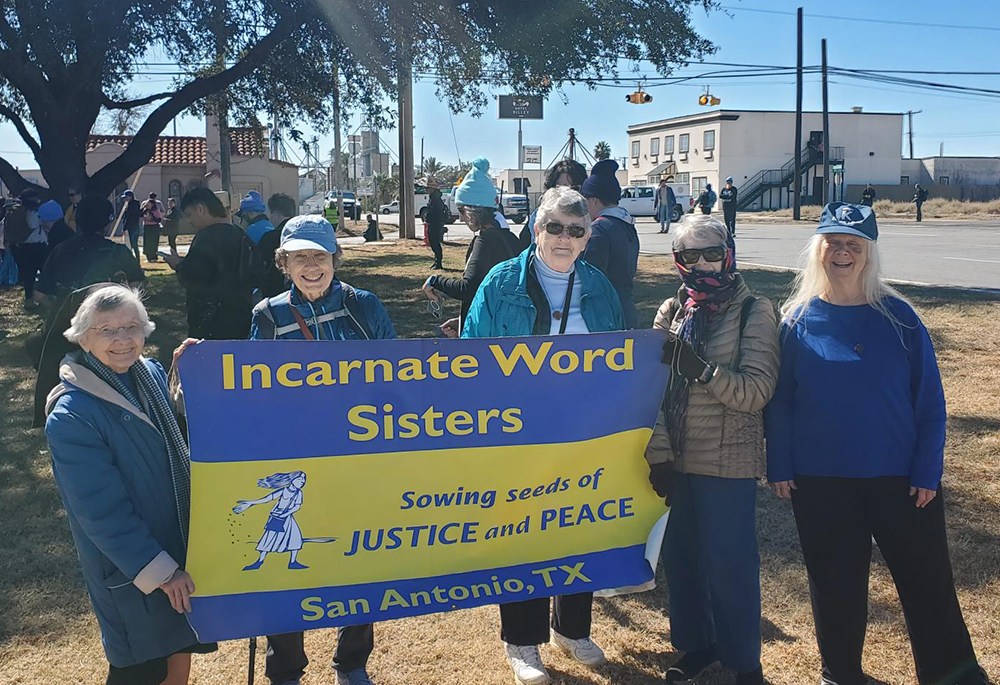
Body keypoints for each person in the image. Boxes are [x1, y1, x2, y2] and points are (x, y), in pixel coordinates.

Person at [765, 202, 991, 685]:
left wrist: (927, 470)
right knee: (835, 583)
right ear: (818, 249)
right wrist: (779, 463)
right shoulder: (797, 320)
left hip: (901, 479)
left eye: (854, 244)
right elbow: (780, 402)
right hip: (821, 479)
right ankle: (841, 673)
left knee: (927, 582)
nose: (842, 252)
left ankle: (953, 675)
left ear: (869, 253)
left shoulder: (900, 318)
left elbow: (929, 402)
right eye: (833, 242)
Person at [177, 215, 395, 685]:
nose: (311, 267)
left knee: (359, 559)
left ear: (335, 258)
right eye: (300, 257)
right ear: (284, 263)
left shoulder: (364, 306)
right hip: (293, 458)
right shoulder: (268, 314)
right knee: (285, 571)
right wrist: (202, 365)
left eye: (319, 256)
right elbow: (252, 387)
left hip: (360, 455)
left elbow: (396, 375)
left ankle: (352, 662)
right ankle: (286, 669)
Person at [463, 186, 624, 685]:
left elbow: (621, 356)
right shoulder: (500, 282)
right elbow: (470, 356)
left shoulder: (598, 286)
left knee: (580, 525)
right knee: (522, 535)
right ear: (536, 230)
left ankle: (571, 629)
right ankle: (522, 642)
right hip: (519, 434)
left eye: (575, 230)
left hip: (583, 433)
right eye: (554, 227)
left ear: (587, 237)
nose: (564, 238)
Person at [44, 284, 216, 685]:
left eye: (132, 327)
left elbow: (175, 431)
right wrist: (162, 573)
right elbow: (100, 513)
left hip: (177, 543)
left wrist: (188, 373)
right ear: (82, 337)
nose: (122, 340)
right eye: (106, 330)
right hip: (135, 566)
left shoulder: (149, 373)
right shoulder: (72, 414)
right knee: (140, 668)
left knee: (179, 650)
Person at [644, 214, 779, 685]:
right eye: (690, 255)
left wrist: (702, 370)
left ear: (728, 254)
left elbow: (756, 391)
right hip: (677, 459)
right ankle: (697, 645)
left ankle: (746, 663)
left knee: (729, 567)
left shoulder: (754, 310)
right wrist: (660, 453)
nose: (702, 263)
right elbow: (653, 393)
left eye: (711, 253)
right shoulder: (671, 310)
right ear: (677, 260)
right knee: (682, 561)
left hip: (727, 460)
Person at [31, 196, 145, 428]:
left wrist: (62, 308)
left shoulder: (60, 250)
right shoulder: (118, 252)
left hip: (65, 331)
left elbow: (39, 295)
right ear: (107, 223)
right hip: (112, 334)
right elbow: (138, 288)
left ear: (77, 221)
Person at [422, 157, 520, 337]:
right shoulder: (511, 238)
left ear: (474, 210)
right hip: (504, 329)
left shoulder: (485, 241)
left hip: (484, 337)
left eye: (462, 210)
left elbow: (468, 288)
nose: (461, 218)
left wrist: (434, 280)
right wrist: (462, 322)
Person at [165, 187, 262, 340]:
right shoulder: (241, 234)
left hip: (210, 319)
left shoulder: (205, 238)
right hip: (241, 314)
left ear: (201, 209)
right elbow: (257, 273)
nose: (189, 221)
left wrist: (178, 265)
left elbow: (193, 277)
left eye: (189, 215)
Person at [580, 158, 639, 329]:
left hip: (607, 313)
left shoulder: (599, 230)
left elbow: (591, 278)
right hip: (627, 308)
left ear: (594, 200)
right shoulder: (626, 224)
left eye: (585, 199)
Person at [518, 159, 588, 248]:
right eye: (561, 188)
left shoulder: (588, 216)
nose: (567, 193)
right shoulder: (539, 216)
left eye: (574, 188)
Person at [4, 188, 48, 305]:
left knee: (28, 275)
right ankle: (42, 298)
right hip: (36, 246)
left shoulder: (18, 211)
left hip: (23, 247)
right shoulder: (32, 213)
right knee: (43, 272)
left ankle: (29, 299)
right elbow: (33, 224)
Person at [257, 193, 297, 298]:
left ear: (275, 214)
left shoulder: (269, 238)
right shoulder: (302, 236)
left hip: (275, 293)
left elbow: (258, 267)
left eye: (271, 213)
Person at [424, 186, 448, 268]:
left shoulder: (436, 199)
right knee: (432, 242)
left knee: (435, 243)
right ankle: (436, 261)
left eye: (428, 188)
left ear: (432, 189)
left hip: (436, 224)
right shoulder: (432, 198)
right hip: (432, 223)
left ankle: (439, 262)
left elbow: (436, 212)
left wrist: (429, 215)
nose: (426, 190)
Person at [140, 192, 165, 262]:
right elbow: (140, 215)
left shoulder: (156, 210)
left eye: (149, 204)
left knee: (153, 242)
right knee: (147, 242)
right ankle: (148, 257)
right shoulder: (145, 210)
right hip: (147, 227)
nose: (148, 205)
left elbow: (159, 219)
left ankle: (154, 257)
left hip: (154, 227)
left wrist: (151, 219)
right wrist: (144, 208)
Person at [121, 190, 143, 263]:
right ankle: (136, 261)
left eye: (126, 197)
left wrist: (124, 227)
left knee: (132, 244)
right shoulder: (133, 204)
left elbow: (129, 218)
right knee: (132, 245)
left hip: (132, 227)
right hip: (134, 226)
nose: (125, 199)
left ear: (130, 197)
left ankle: (135, 261)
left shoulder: (132, 205)